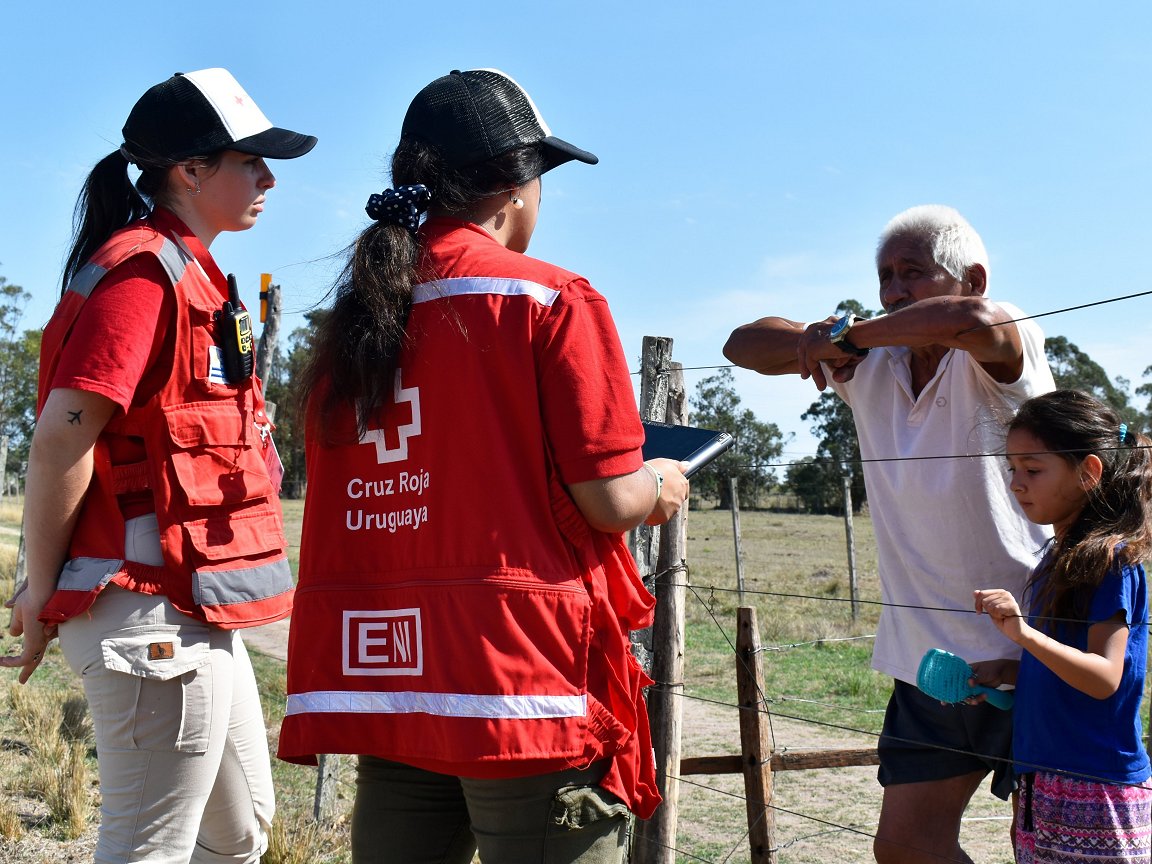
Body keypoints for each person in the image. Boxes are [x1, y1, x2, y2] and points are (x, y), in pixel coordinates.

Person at [277, 68, 689, 863]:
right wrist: (662, 485)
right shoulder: (550, 298)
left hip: (396, 672)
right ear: (514, 186)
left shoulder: (355, 317)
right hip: (519, 682)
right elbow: (607, 497)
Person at [1, 68, 315, 862]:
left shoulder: (193, 273)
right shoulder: (143, 276)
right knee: (148, 846)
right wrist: (41, 593)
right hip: (143, 607)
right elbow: (60, 441)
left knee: (239, 831)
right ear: (190, 170)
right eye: (249, 160)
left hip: (190, 605)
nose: (268, 177)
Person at [723, 204, 1056, 864]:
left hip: (1035, 649)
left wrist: (846, 339)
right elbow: (740, 344)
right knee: (906, 845)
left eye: (914, 273)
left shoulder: (997, 354)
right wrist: (816, 339)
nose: (896, 290)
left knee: (1059, 846)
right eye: (885, 276)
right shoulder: (868, 366)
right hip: (930, 663)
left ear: (974, 277)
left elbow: (972, 322)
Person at [974, 390, 1152, 864]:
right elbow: (1068, 663)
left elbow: (1103, 677)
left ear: (1089, 472)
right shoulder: (1056, 560)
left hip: (1094, 786)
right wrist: (1007, 668)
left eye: (1033, 470)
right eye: (1013, 469)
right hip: (1043, 780)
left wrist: (1023, 635)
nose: (1017, 484)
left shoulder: (1112, 561)